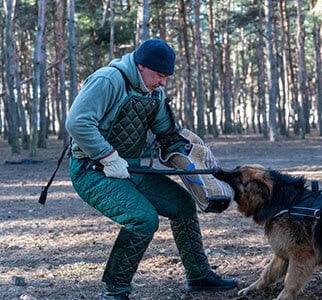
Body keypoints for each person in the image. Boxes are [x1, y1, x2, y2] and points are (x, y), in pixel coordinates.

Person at [65, 39, 238, 300]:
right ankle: (116, 291)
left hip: (132, 171)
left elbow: (166, 135)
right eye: (159, 75)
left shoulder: (154, 93)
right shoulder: (109, 80)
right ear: (141, 66)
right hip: (91, 170)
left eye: (167, 77)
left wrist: (199, 165)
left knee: (182, 205)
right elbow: (77, 122)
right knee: (143, 219)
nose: (163, 83)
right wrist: (109, 157)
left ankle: (199, 276)